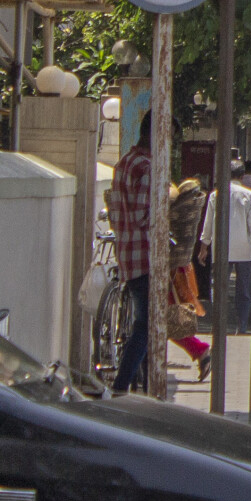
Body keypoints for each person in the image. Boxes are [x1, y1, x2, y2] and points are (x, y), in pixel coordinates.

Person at [110, 116, 157, 393]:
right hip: (145, 255)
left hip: (126, 251)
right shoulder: (147, 167)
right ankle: (121, 385)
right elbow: (143, 215)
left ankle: (140, 384)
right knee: (146, 325)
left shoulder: (124, 162)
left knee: (144, 322)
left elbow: (119, 213)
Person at [204, 161, 251, 333]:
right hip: (244, 250)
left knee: (219, 287)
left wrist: (204, 245)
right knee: (243, 291)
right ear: (243, 176)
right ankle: (241, 326)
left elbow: (208, 224)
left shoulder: (215, 194)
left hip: (221, 249)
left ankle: (219, 324)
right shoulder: (250, 195)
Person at [166, 177, 213, 381]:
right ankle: (199, 350)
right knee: (167, 318)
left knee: (166, 318)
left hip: (171, 268)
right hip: (178, 266)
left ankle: (200, 349)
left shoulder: (171, 204)